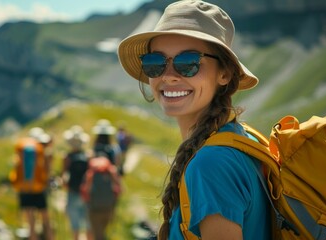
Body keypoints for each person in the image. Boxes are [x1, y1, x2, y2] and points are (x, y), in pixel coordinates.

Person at [117, 1, 271, 239]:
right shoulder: (242, 138)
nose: (168, 76)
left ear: (225, 73)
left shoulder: (210, 164)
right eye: (155, 63)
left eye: (187, 63)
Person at [14, 127, 54, 240]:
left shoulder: (23, 150)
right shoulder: (42, 152)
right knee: (46, 220)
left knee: (31, 222)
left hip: (24, 188)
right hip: (39, 188)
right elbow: (47, 172)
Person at [88, 119, 122, 240]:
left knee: (95, 225)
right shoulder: (114, 149)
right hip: (110, 192)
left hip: (94, 194)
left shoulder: (93, 150)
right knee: (107, 221)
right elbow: (117, 169)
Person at [60, 125, 93, 240]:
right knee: (88, 223)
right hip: (86, 193)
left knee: (75, 223)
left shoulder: (67, 157)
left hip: (72, 192)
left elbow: (63, 176)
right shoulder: (88, 156)